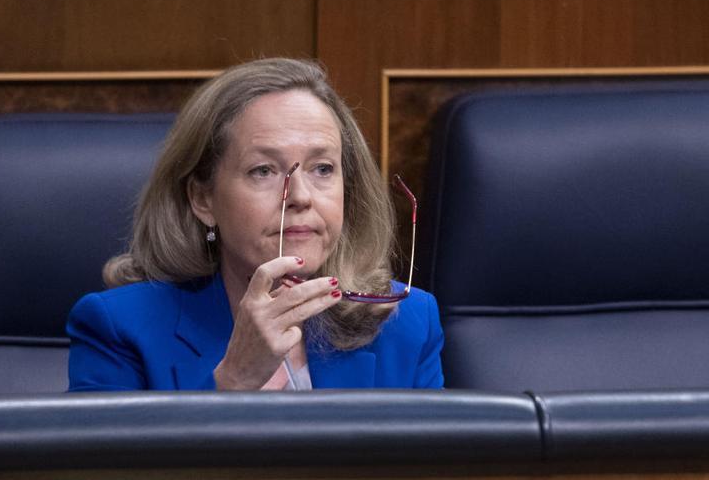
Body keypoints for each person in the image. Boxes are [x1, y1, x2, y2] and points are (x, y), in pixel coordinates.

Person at [67, 58, 443, 391]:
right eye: (264, 170)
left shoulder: (406, 323)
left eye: (323, 168)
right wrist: (232, 382)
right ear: (203, 199)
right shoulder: (119, 328)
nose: (300, 196)